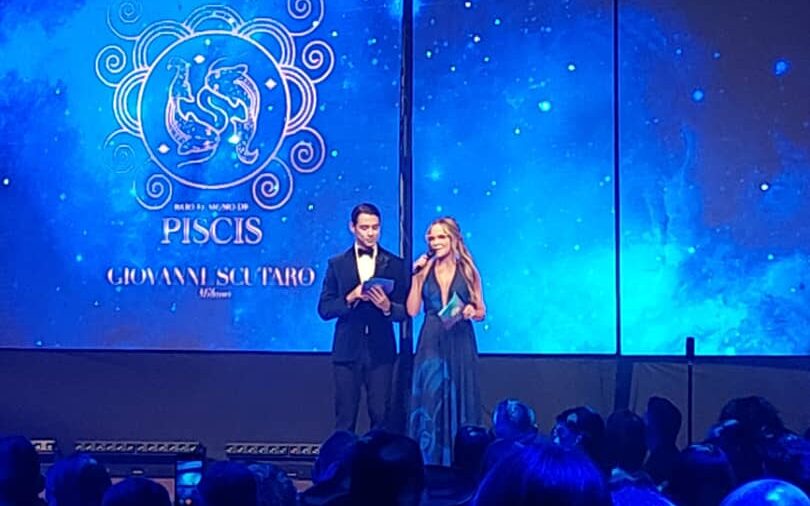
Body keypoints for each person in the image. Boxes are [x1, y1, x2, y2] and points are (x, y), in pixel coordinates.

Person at [318, 203, 409, 432]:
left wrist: (387, 307)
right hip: (347, 350)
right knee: (345, 416)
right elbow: (325, 309)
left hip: (381, 351)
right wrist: (350, 297)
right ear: (353, 227)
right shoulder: (337, 264)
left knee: (381, 414)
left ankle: (379, 456)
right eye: (365, 228)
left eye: (375, 228)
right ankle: (344, 455)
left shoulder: (395, 264)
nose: (370, 233)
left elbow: (404, 312)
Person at [407, 216, 485, 465]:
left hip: (460, 338)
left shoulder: (468, 270)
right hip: (431, 338)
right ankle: (430, 461)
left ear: (453, 239)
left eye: (441, 237)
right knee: (432, 395)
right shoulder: (424, 270)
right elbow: (412, 310)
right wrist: (415, 276)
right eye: (431, 238)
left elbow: (481, 310)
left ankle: (461, 461)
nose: (435, 242)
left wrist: (472, 311)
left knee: (459, 393)